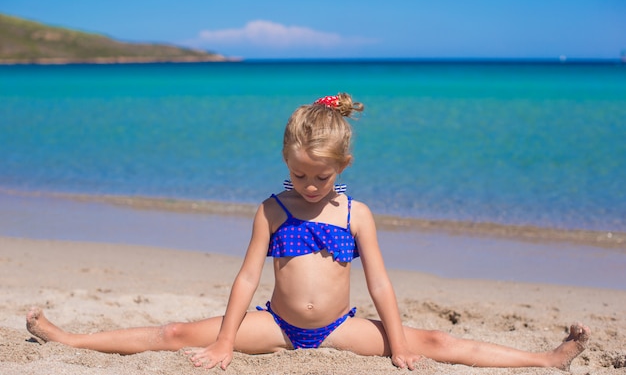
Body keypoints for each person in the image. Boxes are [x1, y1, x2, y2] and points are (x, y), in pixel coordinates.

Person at [26, 93, 589, 371]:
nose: (310, 185)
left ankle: (546, 359)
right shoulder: (272, 209)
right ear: (285, 161)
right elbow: (247, 277)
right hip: (277, 327)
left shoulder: (357, 215)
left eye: (320, 176)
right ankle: (69, 340)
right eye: (299, 174)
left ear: (341, 167)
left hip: (341, 330)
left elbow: (383, 286)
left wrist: (395, 344)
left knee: (437, 344)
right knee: (175, 333)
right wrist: (224, 342)